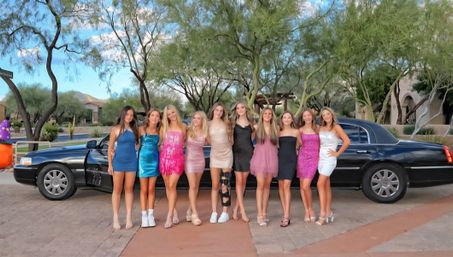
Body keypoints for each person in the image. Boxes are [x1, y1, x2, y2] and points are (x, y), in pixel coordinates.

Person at [316, 107, 350, 225]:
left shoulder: (336, 127)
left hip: (330, 158)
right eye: (324, 115)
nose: (326, 116)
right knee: (325, 185)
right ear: (322, 117)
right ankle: (329, 212)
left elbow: (347, 141)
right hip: (321, 158)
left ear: (332, 114)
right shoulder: (320, 128)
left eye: (328, 114)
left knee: (319, 184)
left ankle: (322, 213)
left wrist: (337, 153)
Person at [108, 106, 139, 230]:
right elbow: (110, 149)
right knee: (117, 189)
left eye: (131, 115)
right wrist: (110, 165)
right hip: (118, 163)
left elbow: (137, 145)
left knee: (129, 189)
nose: (129, 117)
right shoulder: (115, 129)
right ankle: (116, 218)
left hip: (131, 162)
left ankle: (128, 218)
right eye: (127, 115)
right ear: (123, 115)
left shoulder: (135, 130)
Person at [250, 107, 279, 226]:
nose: (267, 115)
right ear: (262, 115)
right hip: (260, 160)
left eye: (269, 114)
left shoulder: (276, 129)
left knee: (267, 186)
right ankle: (259, 215)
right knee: (260, 185)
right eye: (265, 113)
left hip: (271, 160)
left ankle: (264, 212)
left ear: (272, 116)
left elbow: (280, 143)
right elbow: (248, 140)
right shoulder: (256, 128)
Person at [159, 105, 186, 229]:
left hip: (177, 160)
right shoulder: (164, 128)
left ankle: (169, 216)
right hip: (164, 159)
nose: (171, 115)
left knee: (171, 186)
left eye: (173, 112)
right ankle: (174, 211)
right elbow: (160, 143)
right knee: (168, 187)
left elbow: (185, 142)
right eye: (168, 114)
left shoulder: (183, 127)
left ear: (176, 112)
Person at [208, 103, 233, 224]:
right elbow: (207, 140)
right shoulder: (207, 124)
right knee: (215, 185)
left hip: (227, 156)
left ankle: (225, 212)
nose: (218, 112)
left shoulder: (227, 124)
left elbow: (231, 139)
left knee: (225, 184)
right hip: (214, 156)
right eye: (217, 110)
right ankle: (214, 212)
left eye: (221, 111)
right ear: (213, 111)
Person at [230, 101, 254, 223]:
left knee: (244, 181)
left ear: (246, 109)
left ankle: (235, 209)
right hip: (237, 154)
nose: (240, 109)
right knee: (239, 181)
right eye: (238, 108)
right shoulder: (232, 124)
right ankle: (243, 212)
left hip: (249, 153)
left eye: (242, 107)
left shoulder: (252, 123)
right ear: (236, 110)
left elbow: (255, 138)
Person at [185, 111, 208, 226]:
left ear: (202, 120)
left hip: (200, 161)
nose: (196, 120)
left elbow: (215, 142)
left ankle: (189, 209)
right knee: (193, 186)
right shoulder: (187, 130)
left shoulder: (205, 132)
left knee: (196, 187)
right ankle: (195, 214)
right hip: (189, 160)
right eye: (194, 118)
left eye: (198, 118)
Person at [138, 108, 160, 228]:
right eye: (152, 115)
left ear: (159, 119)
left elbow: (161, 146)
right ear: (149, 117)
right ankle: (144, 215)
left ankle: (151, 214)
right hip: (142, 162)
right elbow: (135, 144)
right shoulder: (141, 129)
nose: (155, 118)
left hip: (154, 161)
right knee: (144, 190)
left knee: (151, 189)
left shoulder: (160, 131)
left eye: (157, 116)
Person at [276, 111, 300, 227]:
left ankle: (286, 215)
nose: (286, 119)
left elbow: (300, 145)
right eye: (284, 117)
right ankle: (285, 211)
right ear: (282, 119)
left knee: (286, 186)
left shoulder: (296, 132)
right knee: (280, 186)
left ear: (292, 119)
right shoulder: (277, 132)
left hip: (291, 160)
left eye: (289, 117)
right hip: (280, 160)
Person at [297, 109, 320, 223]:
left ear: (312, 116)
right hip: (302, 158)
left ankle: (311, 209)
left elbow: (323, 143)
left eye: (309, 115)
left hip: (314, 158)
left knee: (306, 186)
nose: (307, 117)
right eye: (305, 116)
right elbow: (298, 145)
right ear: (302, 118)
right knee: (302, 186)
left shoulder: (318, 128)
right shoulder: (300, 130)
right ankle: (306, 210)